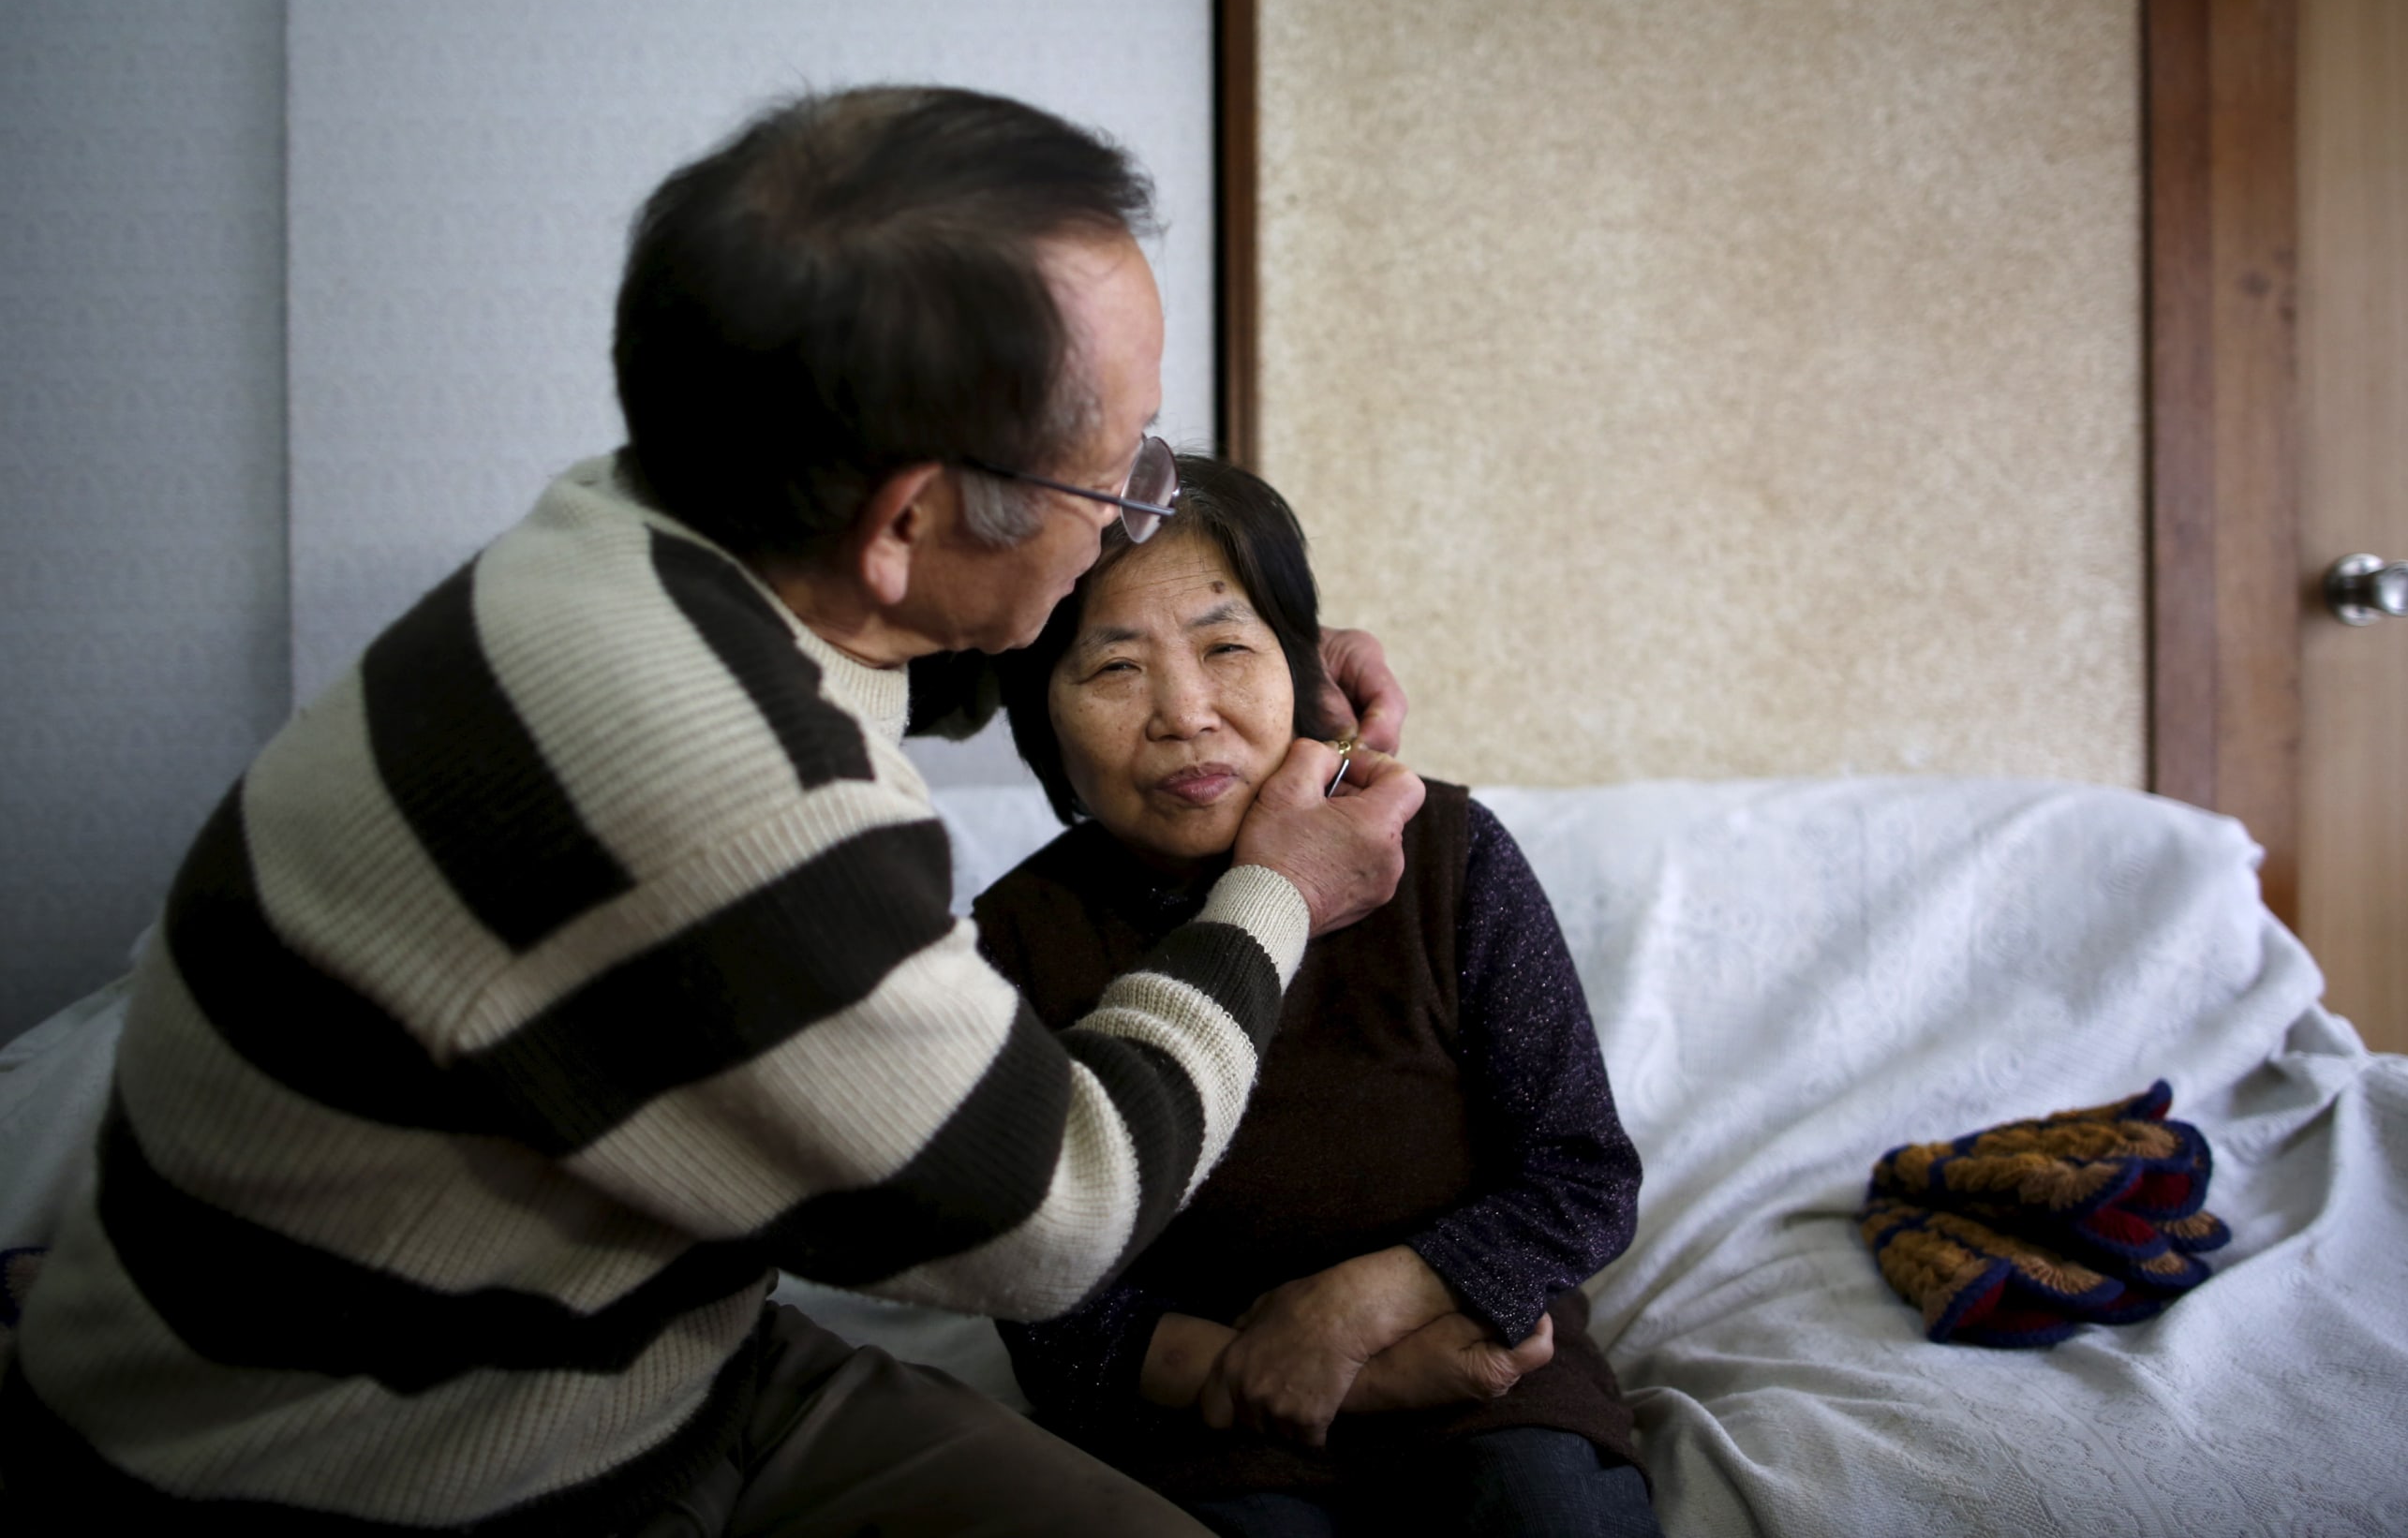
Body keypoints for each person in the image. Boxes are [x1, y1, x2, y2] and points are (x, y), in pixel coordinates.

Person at [0, 87, 1423, 1535]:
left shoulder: (636, 526)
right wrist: (1279, 893)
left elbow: (888, 659)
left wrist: (1256, 658)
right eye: (1114, 471)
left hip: (663, 1342)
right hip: (438, 1466)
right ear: (908, 525)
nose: (1133, 504)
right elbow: (1061, 1207)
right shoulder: (744, 812)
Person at [974, 456, 1659, 1538]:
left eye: (1226, 648)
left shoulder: (1443, 854)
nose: (1184, 713)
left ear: (1301, 670)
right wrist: (1302, 1368)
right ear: (1039, 719)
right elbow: (1054, 1311)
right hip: (1195, 1417)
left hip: (1480, 1370)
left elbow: (1580, 1176)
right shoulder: (1016, 938)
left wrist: (1358, 1308)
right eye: (1112, 669)